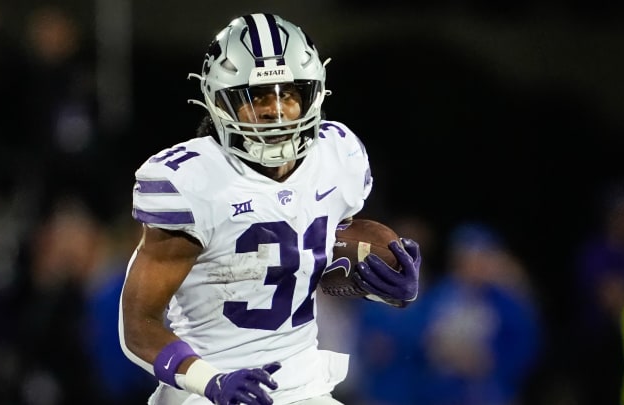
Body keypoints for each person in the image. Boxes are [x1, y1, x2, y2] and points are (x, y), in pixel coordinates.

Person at [118, 13, 421, 405]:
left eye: (288, 93)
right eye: (256, 96)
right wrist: (210, 381)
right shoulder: (189, 181)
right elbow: (138, 326)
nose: (274, 110)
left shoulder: (337, 155)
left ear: (312, 95)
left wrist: (378, 280)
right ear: (220, 101)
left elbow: (298, 263)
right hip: (207, 390)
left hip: (303, 387)